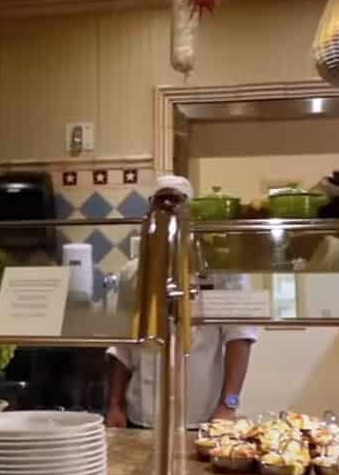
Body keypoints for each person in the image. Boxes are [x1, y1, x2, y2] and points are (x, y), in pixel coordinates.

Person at [105, 175, 258, 428]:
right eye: (160, 201)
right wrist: (115, 404)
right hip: (140, 415)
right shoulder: (132, 273)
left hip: (201, 416)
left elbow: (239, 338)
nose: (168, 208)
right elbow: (121, 346)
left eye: (176, 201)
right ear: (150, 210)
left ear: (192, 211)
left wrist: (229, 405)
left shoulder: (223, 272)